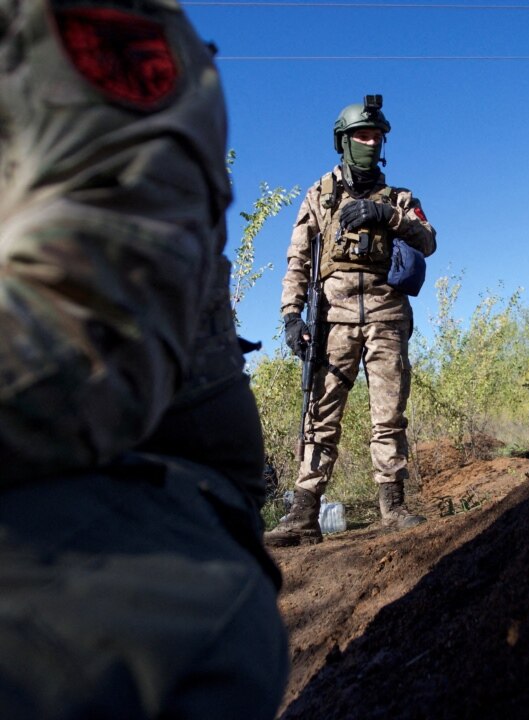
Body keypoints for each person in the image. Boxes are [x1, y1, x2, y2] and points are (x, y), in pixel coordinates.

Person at [0, 1, 288, 717]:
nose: (371, 143)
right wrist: (294, 308)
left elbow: (98, 326)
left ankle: (373, 503)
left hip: (139, 454)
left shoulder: (84, 25)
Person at [266, 95, 437, 547]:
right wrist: (290, 316)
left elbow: (429, 240)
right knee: (319, 415)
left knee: (388, 414)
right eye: (362, 134)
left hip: (386, 314)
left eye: (376, 135)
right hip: (333, 318)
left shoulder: (400, 197)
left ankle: (392, 506)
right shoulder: (320, 193)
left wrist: (389, 215)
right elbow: (297, 259)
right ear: (343, 141)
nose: (370, 141)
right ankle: (304, 514)